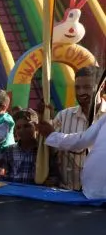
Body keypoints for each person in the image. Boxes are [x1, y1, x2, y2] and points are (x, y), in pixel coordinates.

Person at [38, 71, 106, 199]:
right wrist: (42, 117)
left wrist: (53, 136)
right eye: (77, 87)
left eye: (87, 87)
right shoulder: (63, 116)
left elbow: (80, 140)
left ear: (101, 87)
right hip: (66, 195)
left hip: (99, 198)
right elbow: (47, 150)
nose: (81, 92)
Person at [0, 109, 58, 185]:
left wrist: (50, 182)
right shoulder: (9, 150)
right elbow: (4, 173)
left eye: (27, 126)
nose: (22, 130)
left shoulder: (44, 152)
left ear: (36, 127)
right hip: (13, 191)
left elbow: (54, 175)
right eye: (18, 127)